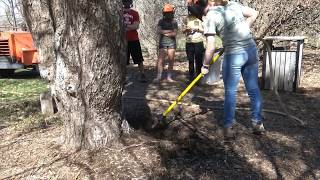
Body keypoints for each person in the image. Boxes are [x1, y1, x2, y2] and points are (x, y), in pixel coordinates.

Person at [201, 0, 265, 138]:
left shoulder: (210, 17)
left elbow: (210, 46)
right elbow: (254, 13)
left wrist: (205, 66)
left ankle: (228, 128)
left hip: (234, 55)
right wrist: (241, 32)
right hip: (251, 51)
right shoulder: (233, 5)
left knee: (230, 91)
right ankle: (257, 123)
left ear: (208, 4)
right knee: (253, 89)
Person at [123, 0, 147, 82]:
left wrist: (125, 26)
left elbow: (135, 26)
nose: (126, 3)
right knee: (123, 60)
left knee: (139, 59)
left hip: (133, 39)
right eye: (125, 1)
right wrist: (130, 26)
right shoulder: (118, 12)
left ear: (130, 2)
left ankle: (142, 74)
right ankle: (123, 78)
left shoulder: (134, 13)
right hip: (122, 40)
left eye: (128, 1)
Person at [155, 4, 178, 82]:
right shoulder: (161, 21)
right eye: (166, 13)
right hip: (163, 43)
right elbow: (158, 31)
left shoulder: (174, 22)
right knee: (161, 60)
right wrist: (168, 31)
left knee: (171, 60)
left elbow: (174, 33)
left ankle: (169, 77)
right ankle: (159, 76)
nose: (168, 14)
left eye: (169, 12)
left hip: (172, 43)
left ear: (172, 13)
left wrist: (163, 32)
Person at [183, 5, 205, 82]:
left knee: (199, 61)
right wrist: (186, 30)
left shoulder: (201, 18)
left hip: (198, 42)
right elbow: (183, 30)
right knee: (190, 60)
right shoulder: (186, 18)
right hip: (189, 42)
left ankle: (199, 78)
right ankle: (191, 78)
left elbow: (205, 30)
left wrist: (197, 29)